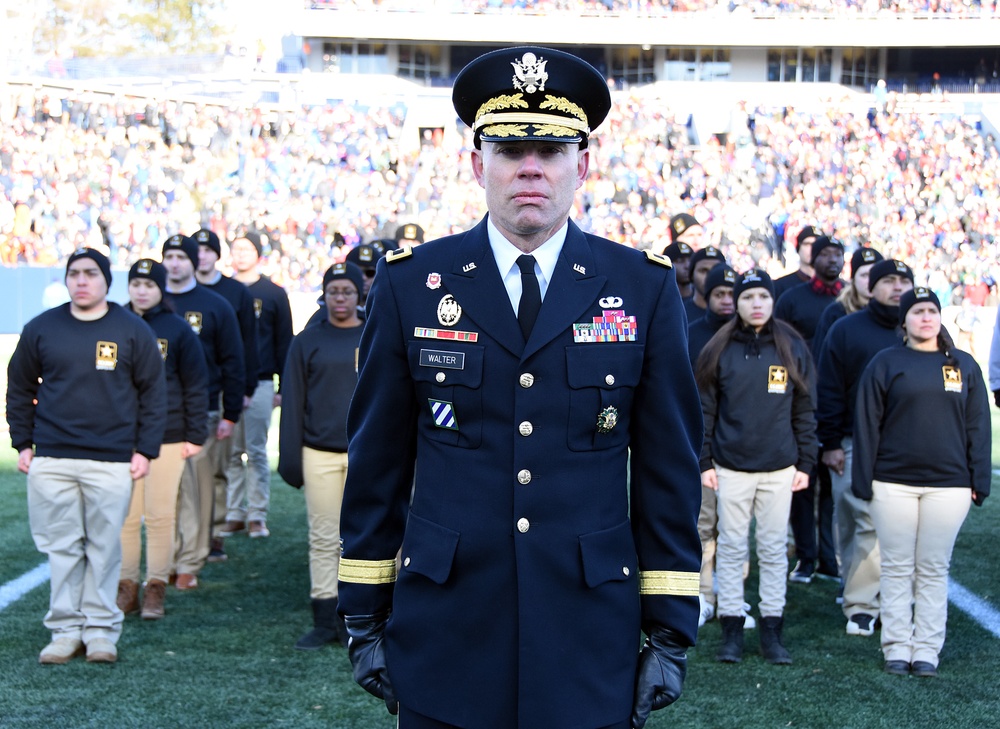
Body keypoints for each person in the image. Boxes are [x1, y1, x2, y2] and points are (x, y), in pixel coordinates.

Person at [336, 46, 703, 729]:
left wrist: (672, 628)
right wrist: (362, 611)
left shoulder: (641, 287)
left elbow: (668, 470)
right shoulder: (414, 281)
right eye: (509, 148)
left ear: (582, 164)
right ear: (478, 163)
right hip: (447, 625)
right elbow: (378, 460)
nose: (530, 166)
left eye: (553, 149)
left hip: (588, 632)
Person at [6, 248, 167, 664]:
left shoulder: (131, 330)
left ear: (105, 281)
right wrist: (23, 443)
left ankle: (100, 631)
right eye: (74, 273)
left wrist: (145, 449)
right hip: (53, 458)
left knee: (103, 548)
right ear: (65, 279)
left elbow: (153, 393)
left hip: (111, 459)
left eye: (90, 273)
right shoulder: (41, 328)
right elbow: (20, 388)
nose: (81, 280)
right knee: (62, 548)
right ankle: (64, 631)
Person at [852, 287, 990, 677]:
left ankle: (927, 649)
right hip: (892, 483)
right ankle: (896, 645)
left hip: (949, 486)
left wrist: (979, 478)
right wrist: (864, 481)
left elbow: (978, 426)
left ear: (940, 316)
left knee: (932, 568)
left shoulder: (962, 365)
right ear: (904, 320)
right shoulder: (885, 362)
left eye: (932, 311)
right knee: (895, 567)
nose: (926, 318)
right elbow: (866, 425)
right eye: (918, 311)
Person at [696, 269, 818, 666]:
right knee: (731, 548)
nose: (756, 304)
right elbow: (706, 411)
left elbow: (804, 408)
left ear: (772, 300)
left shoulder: (791, 346)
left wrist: (805, 461)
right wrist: (705, 461)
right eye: (748, 297)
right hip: (730, 467)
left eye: (763, 296)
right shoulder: (720, 347)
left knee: (773, 550)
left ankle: (772, 629)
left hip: (780, 468)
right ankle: (732, 629)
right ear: (739, 303)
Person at [817, 259, 913, 637]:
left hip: (908, 446)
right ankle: (860, 602)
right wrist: (830, 442)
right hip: (854, 442)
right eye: (888, 280)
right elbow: (828, 389)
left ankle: (894, 600)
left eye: (904, 280)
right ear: (870, 288)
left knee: (904, 527)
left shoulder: (922, 330)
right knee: (862, 523)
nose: (897, 287)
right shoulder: (845, 329)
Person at [278, 262, 366, 651]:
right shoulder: (306, 341)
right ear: (324, 295)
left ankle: (364, 616)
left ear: (359, 294)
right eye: (334, 292)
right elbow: (294, 402)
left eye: (347, 291)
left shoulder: (375, 334)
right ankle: (324, 618)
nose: (341, 298)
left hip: (368, 453)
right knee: (324, 537)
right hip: (320, 454)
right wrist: (291, 459)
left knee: (367, 538)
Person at [117, 259, 209, 620]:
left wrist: (195, 433)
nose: (142, 290)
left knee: (159, 515)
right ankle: (126, 586)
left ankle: (155, 587)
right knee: (126, 516)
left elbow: (195, 384)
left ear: (160, 289)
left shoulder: (177, 329)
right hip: (123, 437)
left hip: (169, 434)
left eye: (149, 284)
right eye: (136, 283)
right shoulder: (116, 323)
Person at [161, 233, 245, 590]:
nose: (175, 263)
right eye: (169, 256)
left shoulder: (215, 305)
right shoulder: (151, 306)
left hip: (203, 412)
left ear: (194, 261)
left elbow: (233, 361)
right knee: (165, 494)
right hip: (157, 417)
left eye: (182, 256)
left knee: (196, 492)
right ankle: (165, 559)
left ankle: (189, 562)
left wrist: (229, 414)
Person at [686, 263, 755, 632]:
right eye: (720, 294)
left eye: (733, 294)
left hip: (739, 447)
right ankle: (700, 593)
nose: (727, 301)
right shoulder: (692, 332)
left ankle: (731, 593)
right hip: (700, 444)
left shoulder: (753, 339)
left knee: (736, 528)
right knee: (703, 523)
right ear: (708, 297)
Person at [775, 235, 845, 584]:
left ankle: (829, 559)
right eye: (826, 254)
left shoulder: (848, 299)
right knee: (803, 482)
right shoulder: (791, 299)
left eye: (838, 254)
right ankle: (805, 556)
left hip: (834, 400)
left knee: (832, 487)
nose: (833, 260)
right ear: (812, 259)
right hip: (799, 399)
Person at [221, 231, 293, 541]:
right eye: (236, 248)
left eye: (247, 248)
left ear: (258, 253)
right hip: (227, 383)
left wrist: (282, 387)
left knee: (256, 450)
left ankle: (257, 515)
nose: (241, 254)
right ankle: (233, 513)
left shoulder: (274, 293)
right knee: (231, 452)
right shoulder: (221, 291)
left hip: (262, 381)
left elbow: (284, 342)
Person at [193, 227, 260, 551]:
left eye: (208, 249)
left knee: (217, 467)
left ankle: (215, 532)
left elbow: (246, 345)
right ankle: (187, 536)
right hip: (177, 395)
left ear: (217, 255)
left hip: (218, 392)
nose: (202, 254)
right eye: (198, 249)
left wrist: (244, 389)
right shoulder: (169, 290)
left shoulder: (235, 292)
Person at [812, 247, 883, 359]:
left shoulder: (896, 315)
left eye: (876, 275)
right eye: (864, 275)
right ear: (853, 279)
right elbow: (820, 358)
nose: (871, 280)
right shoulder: (835, 313)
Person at [773, 225, 819, 300]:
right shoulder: (779, 286)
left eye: (816, 244)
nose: (812, 248)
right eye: (807, 244)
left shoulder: (835, 288)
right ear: (798, 248)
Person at [684, 245, 726, 323]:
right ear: (692, 275)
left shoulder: (735, 316)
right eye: (703, 271)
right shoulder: (679, 314)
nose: (710, 276)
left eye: (716, 270)